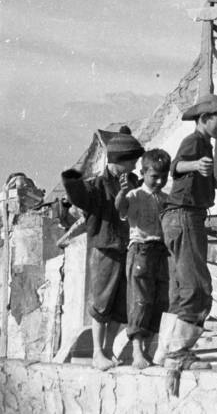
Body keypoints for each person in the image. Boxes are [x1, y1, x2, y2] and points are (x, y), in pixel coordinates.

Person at [154, 94, 217, 370]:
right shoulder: (194, 141)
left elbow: (202, 175)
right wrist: (194, 165)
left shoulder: (205, 144)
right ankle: (179, 352)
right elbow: (176, 167)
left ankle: (165, 352)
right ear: (204, 119)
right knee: (197, 287)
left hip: (180, 218)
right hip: (185, 217)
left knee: (181, 288)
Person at [61, 128, 145, 370]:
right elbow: (77, 194)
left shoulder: (132, 182)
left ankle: (108, 350)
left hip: (127, 249)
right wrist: (71, 178)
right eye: (131, 161)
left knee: (120, 305)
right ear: (119, 160)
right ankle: (98, 353)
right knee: (101, 302)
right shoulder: (97, 185)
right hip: (105, 248)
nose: (134, 166)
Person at [115, 149, 171, 370]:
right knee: (140, 300)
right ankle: (137, 352)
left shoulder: (165, 199)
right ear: (143, 173)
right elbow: (120, 209)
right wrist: (122, 192)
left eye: (163, 177)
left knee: (158, 301)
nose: (159, 181)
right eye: (154, 176)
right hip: (141, 250)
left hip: (160, 252)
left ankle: (146, 351)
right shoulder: (134, 195)